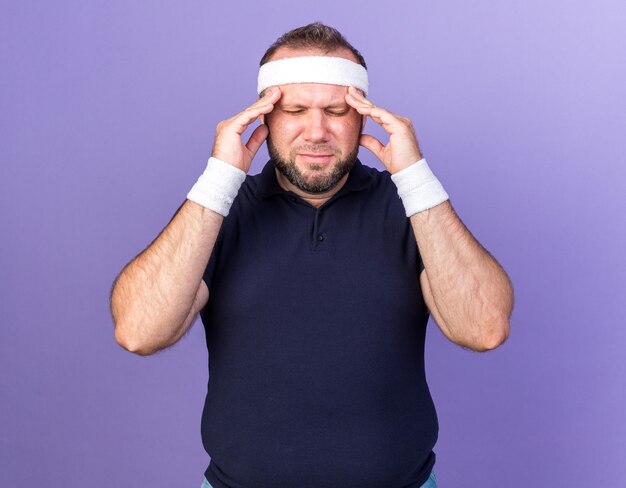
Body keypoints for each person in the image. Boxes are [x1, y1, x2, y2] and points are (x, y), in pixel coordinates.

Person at [110, 22, 513, 488]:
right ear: (264, 119)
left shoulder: (412, 209)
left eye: (337, 110)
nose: (316, 131)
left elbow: (483, 329)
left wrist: (416, 178)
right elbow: (139, 332)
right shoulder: (219, 215)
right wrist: (217, 181)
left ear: (363, 118)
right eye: (295, 109)